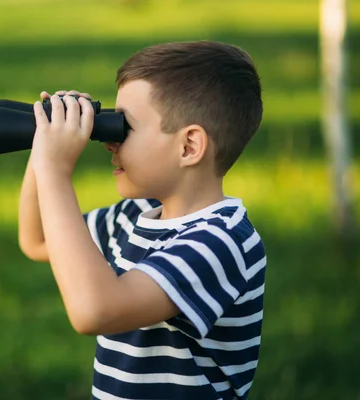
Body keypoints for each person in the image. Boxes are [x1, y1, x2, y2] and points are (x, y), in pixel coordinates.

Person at [18, 40, 266, 400]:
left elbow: (95, 311)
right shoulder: (135, 215)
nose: (109, 142)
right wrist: (42, 144)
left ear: (189, 146)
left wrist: (54, 170)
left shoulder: (220, 242)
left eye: (125, 127)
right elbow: (38, 239)